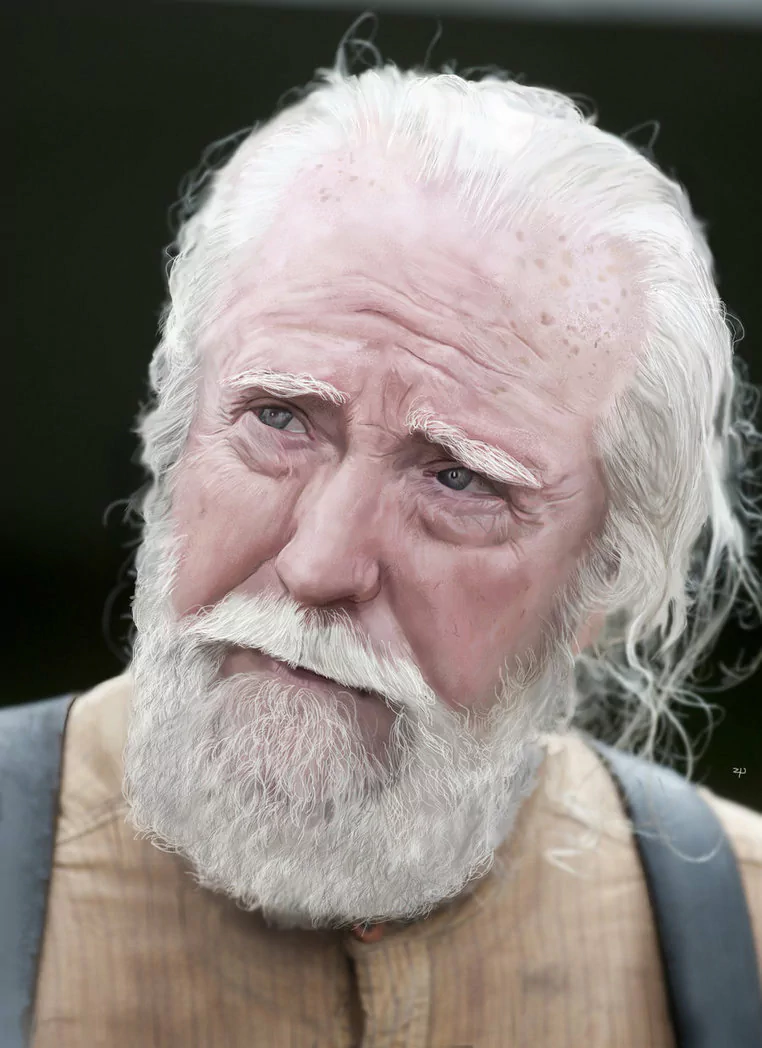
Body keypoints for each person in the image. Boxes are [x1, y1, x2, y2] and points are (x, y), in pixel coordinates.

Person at [18, 31, 762, 1048]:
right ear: (172, 436)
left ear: (602, 580)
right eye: (279, 419)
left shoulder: (744, 938)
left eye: (458, 479)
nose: (321, 563)